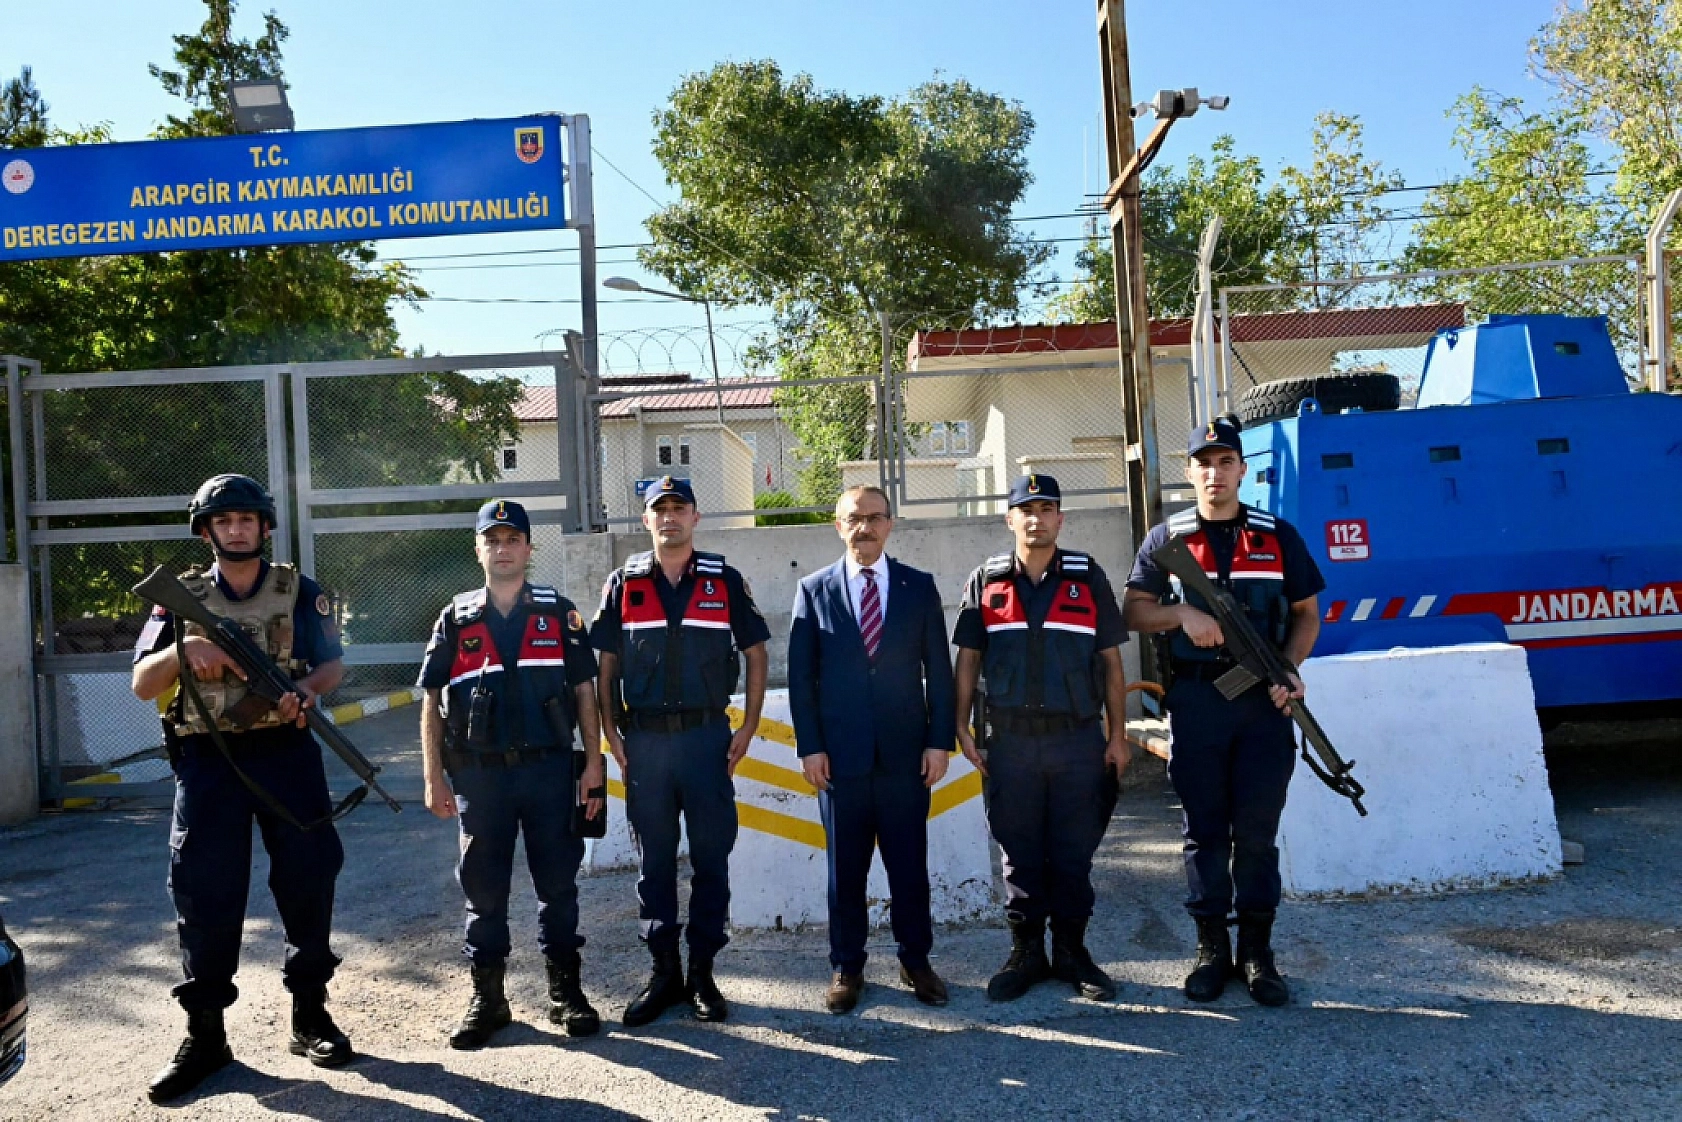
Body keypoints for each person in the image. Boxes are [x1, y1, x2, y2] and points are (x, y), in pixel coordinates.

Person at [131, 474, 351, 1103]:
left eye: (246, 520)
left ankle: (310, 1014)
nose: (235, 529)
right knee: (205, 892)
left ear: (264, 526)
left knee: (309, 879)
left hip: (286, 752)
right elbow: (143, 683)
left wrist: (307, 692)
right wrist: (186, 649)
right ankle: (206, 1036)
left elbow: (332, 662)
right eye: (222, 521)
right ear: (206, 530)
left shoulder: (297, 591)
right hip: (208, 760)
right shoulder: (177, 600)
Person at [1122, 416, 1325, 1007]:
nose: (1214, 473)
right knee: (1204, 832)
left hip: (1264, 701)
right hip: (1198, 700)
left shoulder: (1277, 535)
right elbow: (1135, 612)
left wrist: (1289, 668)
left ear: (1242, 469)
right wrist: (1182, 616)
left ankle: (1258, 954)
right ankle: (1211, 949)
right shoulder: (1167, 539)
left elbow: (1308, 613)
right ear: (1189, 472)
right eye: (1203, 463)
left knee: (1257, 832)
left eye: (1225, 462)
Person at [418, 500, 607, 1049]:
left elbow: (584, 692)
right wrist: (433, 775)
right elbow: (431, 699)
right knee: (484, 890)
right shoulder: (456, 619)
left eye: (512, 539)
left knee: (558, 886)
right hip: (481, 777)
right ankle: (489, 999)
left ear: (528, 547)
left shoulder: (559, 614)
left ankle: (565, 993)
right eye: (492, 540)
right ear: (479, 550)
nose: (503, 549)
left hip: (549, 772)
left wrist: (593, 762)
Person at [590, 476, 770, 1026]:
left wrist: (749, 727)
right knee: (655, 864)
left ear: (695, 517)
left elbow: (758, 653)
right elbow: (605, 666)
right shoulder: (623, 583)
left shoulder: (724, 580)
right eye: (658, 509)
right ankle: (663, 972)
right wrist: (610, 734)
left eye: (678, 508)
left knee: (712, 857)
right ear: (646, 520)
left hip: (706, 740)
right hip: (644, 742)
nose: (669, 517)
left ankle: (702, 975)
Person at [953, 474, 1132, 1004]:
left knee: (1074, 852)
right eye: (1025, 509)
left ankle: (1073, 954)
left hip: (1077, 741)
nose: (1036, 518)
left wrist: (1118, 736)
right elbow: (967, 659)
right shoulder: (986, 580)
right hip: (1010, 742)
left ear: (1061, 518)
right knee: (1020, 851)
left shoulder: (1087, 576)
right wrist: (960, 727)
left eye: (1047, 508)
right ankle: (1026, 954)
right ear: (1010, 519)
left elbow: (1112, 663)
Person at [787, 485, 957, 1014]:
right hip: (840, 761)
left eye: (875, 517)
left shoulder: (918, 587)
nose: (865, 527)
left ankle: (916, 961)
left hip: (907, 758)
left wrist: (938, 741)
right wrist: (810, 748)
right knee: (846, 872)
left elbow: (941, 673)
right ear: (838, 526)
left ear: (891, 524)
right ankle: (847, 966)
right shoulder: (813, 590)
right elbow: (800, 679)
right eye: (853, 518)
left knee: (910, 867)